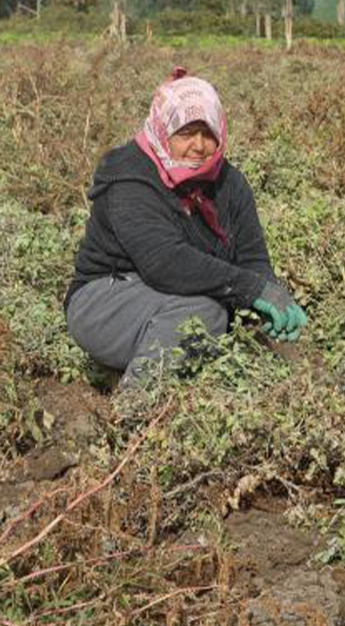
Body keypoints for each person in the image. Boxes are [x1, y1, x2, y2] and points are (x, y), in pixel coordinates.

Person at [66, 67, 307, 386]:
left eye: (208, 134)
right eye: (186, 133)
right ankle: (138, 402)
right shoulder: (129, 176)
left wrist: (270, 296)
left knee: (232, 324)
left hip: (175, 296)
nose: (199, 145)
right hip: (105, 300)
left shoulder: (229, 182)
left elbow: (252, 258)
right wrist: (250, 289)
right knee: (203, 314)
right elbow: (164, 262)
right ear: (163, 130)